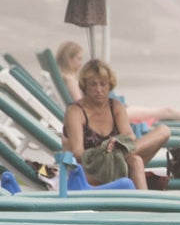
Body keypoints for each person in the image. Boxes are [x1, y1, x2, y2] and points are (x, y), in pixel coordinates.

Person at [55, 41, 180, 123]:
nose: (81, 62)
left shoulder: (66, 77)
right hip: (106, 115)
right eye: (78, 58)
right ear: (69, 59)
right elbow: (81, 106)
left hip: (109, 111)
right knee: (167, 111)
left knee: (167, 111)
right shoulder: (70, 78)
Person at [62, 59, 171, 190]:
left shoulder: (115, 107)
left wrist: (117, 143)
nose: (99, 89)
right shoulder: (76, 111)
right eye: (93, 85)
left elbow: (130, 138)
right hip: (90, 171)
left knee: (155, 140)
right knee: (134, 160)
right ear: (85, 86)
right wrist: (103, 150)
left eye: (103, 84)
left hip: (117, 165)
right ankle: (144, 203)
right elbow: (77, 153)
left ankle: (144, 207)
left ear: (110, 86)